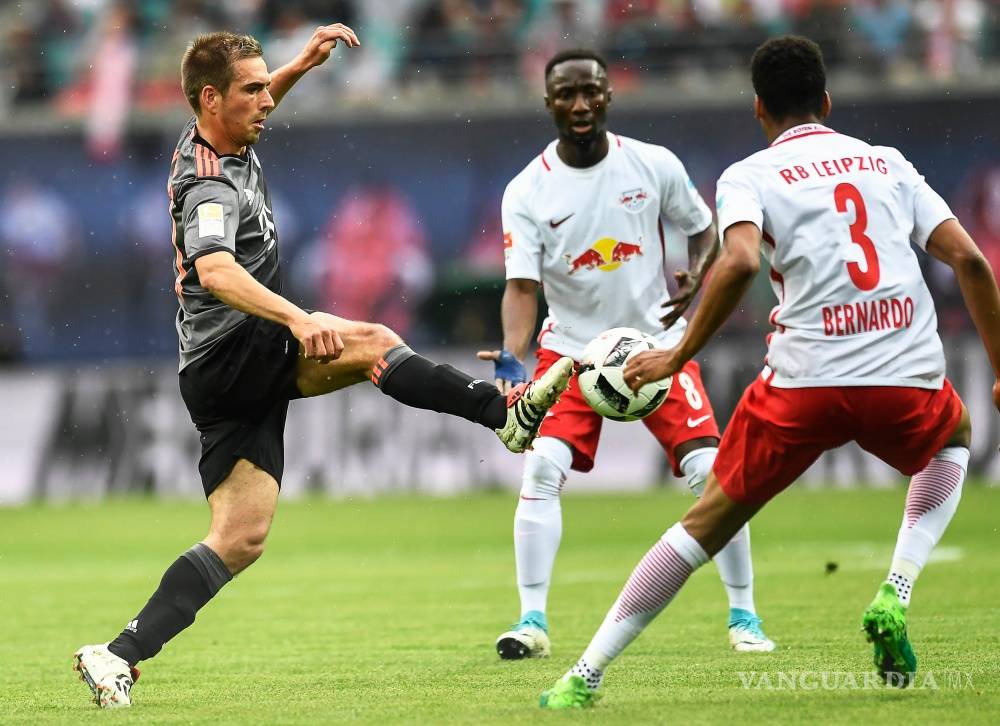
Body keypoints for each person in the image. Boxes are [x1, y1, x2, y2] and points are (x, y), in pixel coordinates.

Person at [72, 26, 574, 709]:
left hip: (214, 370)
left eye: (265, 86)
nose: (266, 102)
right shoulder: (210, 185)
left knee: (239, 537)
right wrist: (299, 319)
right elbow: (216, 270)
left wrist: (300, 65)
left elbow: (252, 101)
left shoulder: (217, 133)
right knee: (371, 342)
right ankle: (501, 414)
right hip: (235, 350)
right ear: (212, 99)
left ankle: (117, 655)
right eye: (253, 90)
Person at [538, 35, 1000, 709]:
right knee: (952, 440)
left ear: (758, 107)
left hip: (803, 385)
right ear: (827, 102)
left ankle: (585, 674)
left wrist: (676, 353)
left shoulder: (749, 175)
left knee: (704, 524)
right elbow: (972, 263)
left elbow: (741, 261)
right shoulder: (887, 163)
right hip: (903, 375)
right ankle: (895, 591)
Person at [481, 48, 773, 662]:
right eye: (567, 94)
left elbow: (704, 227)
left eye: (591, 91)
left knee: (712, 472)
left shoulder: (652, 164)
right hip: (571, 354)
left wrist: (697, 272)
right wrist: (512, 356)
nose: (581, 104)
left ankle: (745, 615)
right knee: (541, 468)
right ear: (548, 103)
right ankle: (531, 621)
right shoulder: (527, 190)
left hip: (656, 347)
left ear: (609, 96)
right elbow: (522, 286)